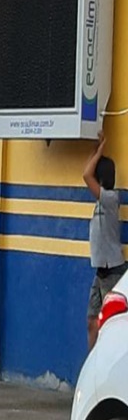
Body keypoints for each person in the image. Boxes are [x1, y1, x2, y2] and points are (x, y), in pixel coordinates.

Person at [83, 130, 126, 350]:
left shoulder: (110, 198)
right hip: (100, 271)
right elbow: (88, 172)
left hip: (112, 272)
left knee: (108, 324)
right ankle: (93, 364)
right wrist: (95, 149)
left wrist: (99, 151)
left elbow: (85, 175)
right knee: (92, 322)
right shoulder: (101, 201)